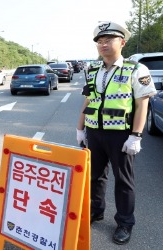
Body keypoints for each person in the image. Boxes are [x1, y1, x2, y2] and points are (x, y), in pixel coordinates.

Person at [76, 21, 157, 245]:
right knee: (95, 176)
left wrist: (136, 135)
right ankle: (96, 210)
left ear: (122, 42)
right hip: (94, 132)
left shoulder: (136, 69)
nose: (103, 44)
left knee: (124, 180)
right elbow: (88, 100)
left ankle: (124, 222)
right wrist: (80, 128)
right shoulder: (92, 70)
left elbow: (143, 104)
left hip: (120, 134)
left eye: (108, 40)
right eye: (100, 41)